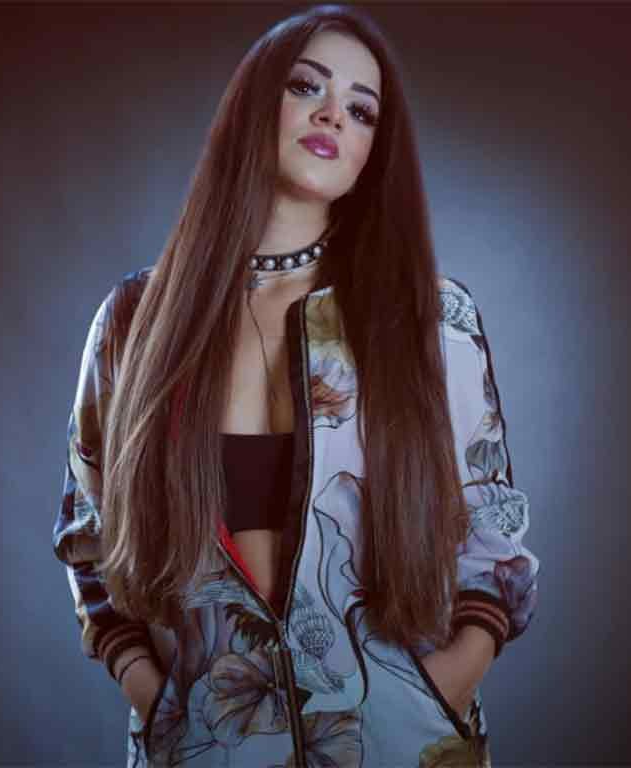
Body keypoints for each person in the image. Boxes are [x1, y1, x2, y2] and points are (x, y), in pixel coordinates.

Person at [52, 5, 540, 767]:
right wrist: (156, 697)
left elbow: (490, 535)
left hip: (401, 746)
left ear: (372, 153)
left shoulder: (428, 318)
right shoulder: (136, 320)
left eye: (361, 110)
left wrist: (438, 694)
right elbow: (89, 533)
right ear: (254, 106)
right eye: (306, 87)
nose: (332, 114)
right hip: (210, 747)